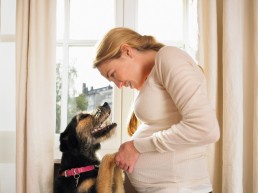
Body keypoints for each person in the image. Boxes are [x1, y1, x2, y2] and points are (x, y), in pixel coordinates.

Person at [93, 27, 220, 193]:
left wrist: (136, 147)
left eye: (113, 74)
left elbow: (205, 128)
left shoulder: (168, 57)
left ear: (127, 51)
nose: (118, 85)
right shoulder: (151, 79)